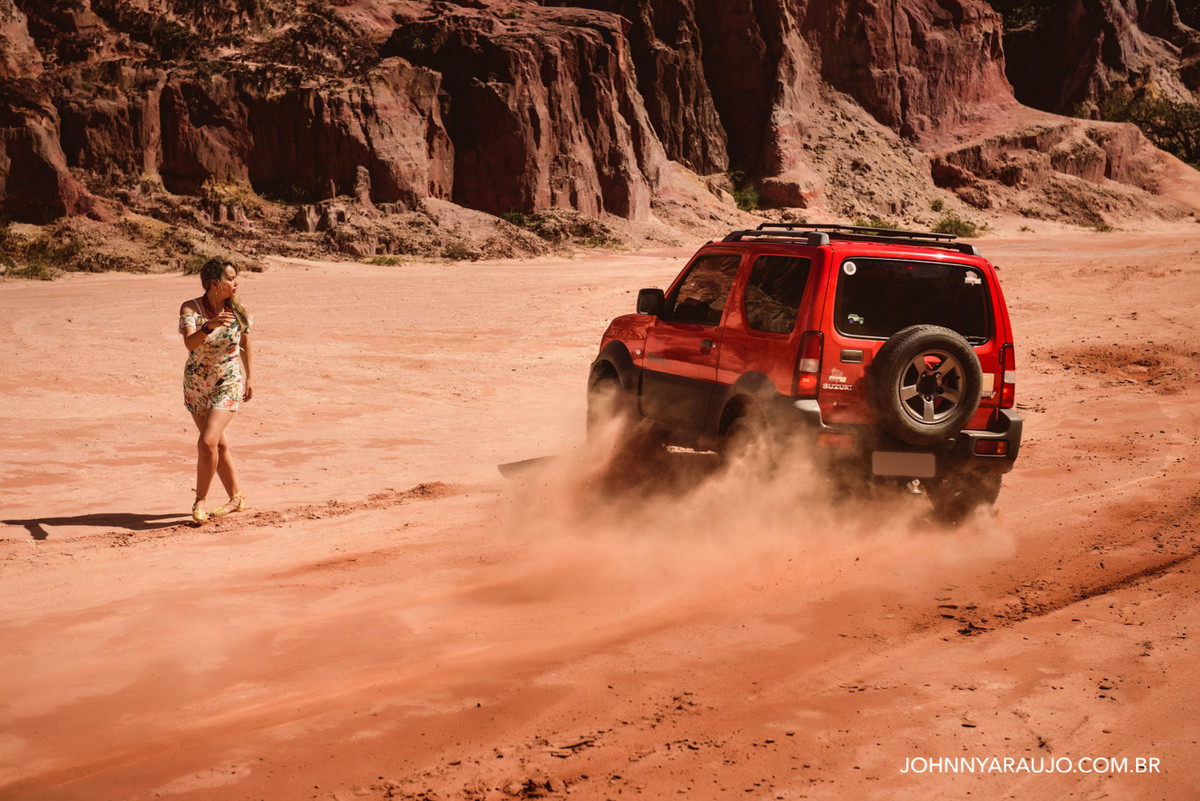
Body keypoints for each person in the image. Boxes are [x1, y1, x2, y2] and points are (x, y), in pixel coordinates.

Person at [178, 259, 254, 523]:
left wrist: (249, 377)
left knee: (207, 441)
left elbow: (244, 340)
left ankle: (200, 501)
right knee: (217, 443)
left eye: (236, 278)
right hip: (198, 383)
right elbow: (190, 343)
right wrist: (208, 326)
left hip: (228, 380)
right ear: (214, 283)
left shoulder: (237, 309)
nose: (236, 283)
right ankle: (236, 497)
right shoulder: (192, 308)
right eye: (231, 278)